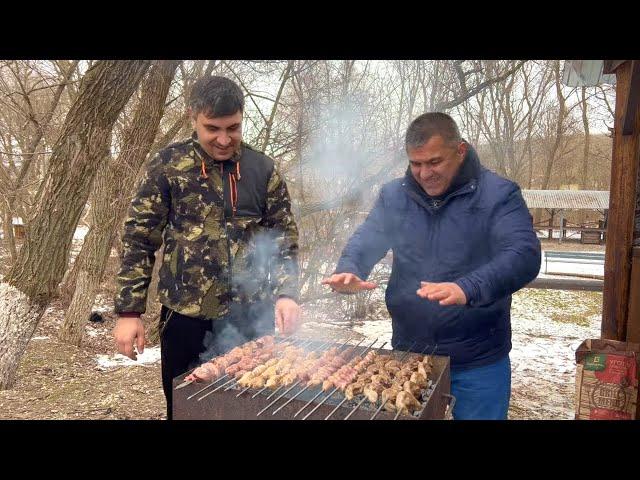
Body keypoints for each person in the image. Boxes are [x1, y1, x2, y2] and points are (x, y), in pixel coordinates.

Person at [322, 112, 540, 420]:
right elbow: (368, 237)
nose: (424, 174)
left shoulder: (498, 194)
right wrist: (350, 266)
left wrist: (468, 287)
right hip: (409, 353)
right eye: (416, 163)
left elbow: (524, 254)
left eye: (434, 162)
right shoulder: (395, 195)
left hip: (478, 358)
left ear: (460, 151)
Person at [113, 76, 301, 419]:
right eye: (212, 128)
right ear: (193, 117)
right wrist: (129, 312)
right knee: (188, 409)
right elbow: (139, 238)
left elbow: (283, 239)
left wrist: (287, 293)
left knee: (254, 408)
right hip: (185, 317)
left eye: (234, 127)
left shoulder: (262, 170)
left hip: (250, 317)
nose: (224, 139)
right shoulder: (169, 165)